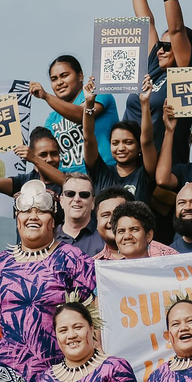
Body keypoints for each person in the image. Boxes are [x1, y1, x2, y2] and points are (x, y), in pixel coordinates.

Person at [0, 180, 96, 382]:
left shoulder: (74, 260)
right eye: (26, 211)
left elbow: (95, 323)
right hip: (0, 379)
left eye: (41, 211)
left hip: (59, 379)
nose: (33, 216)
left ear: (53, 220)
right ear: (17, 219)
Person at [124, 0, 192, 166]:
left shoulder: (186, 74)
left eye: (168, 46)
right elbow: (145, 22)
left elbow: (177, 29)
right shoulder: (154, 66)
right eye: (160, 45)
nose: (160, 50)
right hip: (133, 164)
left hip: (166, 165)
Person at [34, 299, 140, 382]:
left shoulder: (114, 367)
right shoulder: (45, 379)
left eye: (78, 327)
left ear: (91, 329)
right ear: (56, 336)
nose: (71, 335)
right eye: (63, 330)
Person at [31, 55, 118, 173]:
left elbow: (83, 115)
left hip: (103, 175)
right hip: (68, 182)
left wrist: (46, 96)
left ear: (80, 76)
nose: (59, 82)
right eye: (54, 79)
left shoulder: (98, 94)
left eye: (64, 75)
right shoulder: (52, 119)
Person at [85, 75, 157, 205]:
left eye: (128, 142)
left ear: (139, 147)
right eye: (115, 143)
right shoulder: (101, 173)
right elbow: (88, 138)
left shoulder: (144, 175)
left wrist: (145, 103)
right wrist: (89, 103)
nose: (121, 148)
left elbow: (147, 141)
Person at [0, 126, 65, 197]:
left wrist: (35, 159)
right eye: (43, 155)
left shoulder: (71, 180)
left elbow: (66, 182)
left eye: (54, 153)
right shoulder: (25, 182)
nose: (50, 159)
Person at [93, 187, 178, 260]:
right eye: (105, 215)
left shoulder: (168, 257)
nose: (112, 220)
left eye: (118, 213)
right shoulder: (92, 267)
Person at [55, 173, 105, 257]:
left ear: (93, 202)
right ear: (61, 201)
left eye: (84, 195)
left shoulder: (105, 238)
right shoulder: (48, 238)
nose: (77, 199)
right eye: (70, 193)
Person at [109, 201, 177, 260]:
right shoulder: (108, 273)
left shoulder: (166, 268)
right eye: (121, 231)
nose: (127, 236)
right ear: (115, 238)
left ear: (148, 235)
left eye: (134, 229)